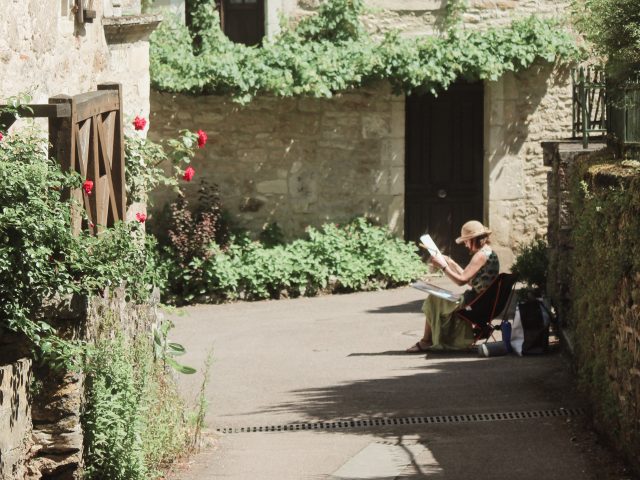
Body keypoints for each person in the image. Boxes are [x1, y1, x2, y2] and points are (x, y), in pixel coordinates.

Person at [406, 220, 500, 352]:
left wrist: (443, 266)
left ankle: (426, 341)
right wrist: (451, 262)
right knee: (436, 295)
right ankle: (429, 340)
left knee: (433, 299)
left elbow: (461, 281)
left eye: (466, 241)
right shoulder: (488, 252)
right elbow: (470, 280)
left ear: (474, 239)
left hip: (476, 303)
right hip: (483, 301)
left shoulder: (480, 256)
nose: (465, 245)